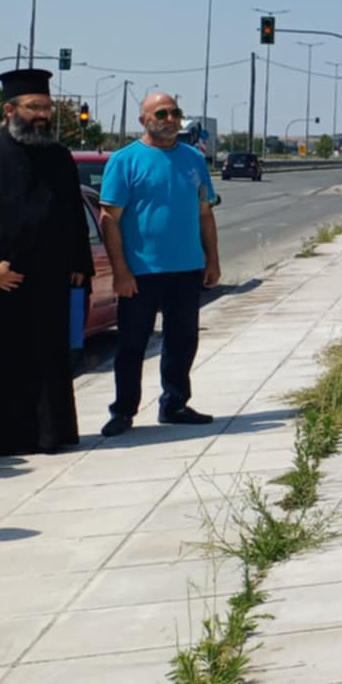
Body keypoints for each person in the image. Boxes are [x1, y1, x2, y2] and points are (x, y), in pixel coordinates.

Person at [0, 70, 93, 456]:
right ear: (10, 109)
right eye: (34, 107)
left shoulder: (59, 156)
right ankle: (0, 440)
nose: (42, 115)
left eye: (46, 107)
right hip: (1, 281)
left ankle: (49, 435)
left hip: (50, 278)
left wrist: (80, 260)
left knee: (48, 359)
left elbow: (73, 214)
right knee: (1, 361)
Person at [97, 92, 221, 437]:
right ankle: (123, 411)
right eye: (161, 113)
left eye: (175, 113)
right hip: (140, 273)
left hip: (186, 268)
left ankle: (175, 403)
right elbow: (110, 218)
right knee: (132, 344)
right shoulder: (125, 161)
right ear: (144, 120)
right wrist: (120, 271)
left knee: (183, 340)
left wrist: (212, 258)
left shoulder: (193, 159)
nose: (170, 119)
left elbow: (204, 213)